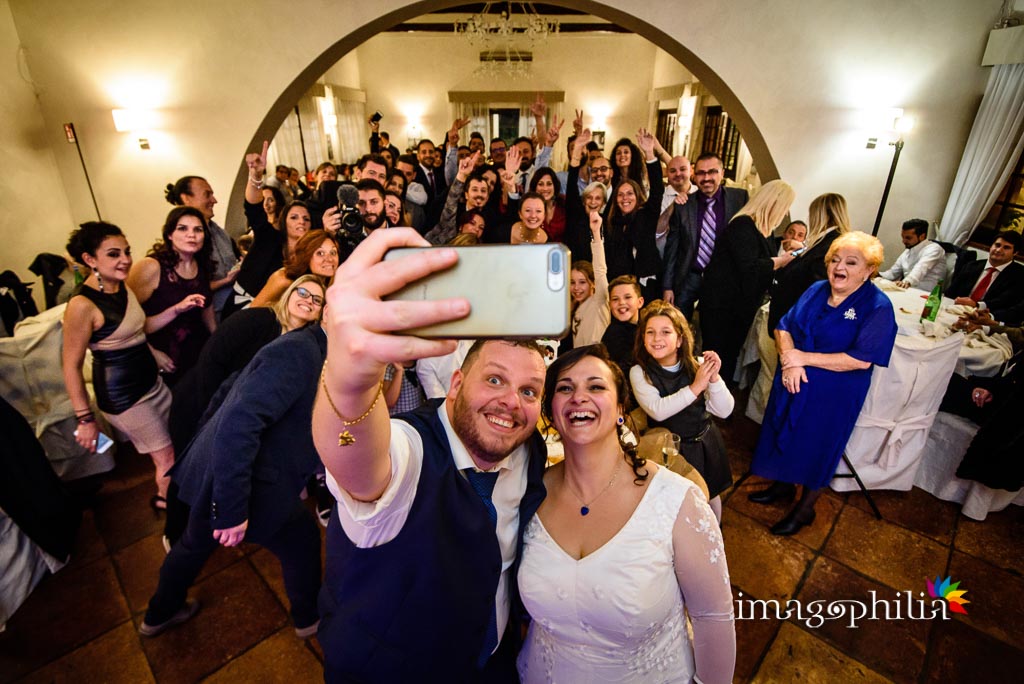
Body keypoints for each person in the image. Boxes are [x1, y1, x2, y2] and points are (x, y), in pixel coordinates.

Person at [312, 228, 549, 681]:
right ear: (456, 383)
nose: (511, 402)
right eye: (495, 380)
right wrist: (350, 380)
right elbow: (358, 463)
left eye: (529, 390)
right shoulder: (410, 450)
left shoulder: (527, 451)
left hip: (494, 659)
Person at [517, 344, 735, 683]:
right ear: (551, 412)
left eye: (596, 386)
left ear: (620, 409)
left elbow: (712, 615)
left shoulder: (678, 503)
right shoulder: (529, 494)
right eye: (564, 388)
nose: (579, 397)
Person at [139, 316, 327, 639]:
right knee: (303, 540)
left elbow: (228, 392)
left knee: (193, 544)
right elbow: (240, 422)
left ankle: (159, 613)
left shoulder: (309, 346)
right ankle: (309, 619)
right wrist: (231, 508)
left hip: (225, 474)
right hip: (250, 485)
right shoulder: (300, 351)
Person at [748, 232, 897, 535]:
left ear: (869, 270)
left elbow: (862, 359)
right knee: (782, 430)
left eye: (851, 262)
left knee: (817, 445)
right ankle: (783, 485)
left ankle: (805, 509)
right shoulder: (816, 289)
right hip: (793, 380)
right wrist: (790, 360)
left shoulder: (878, 307)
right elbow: (784, 325)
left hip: (833, 394)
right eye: (835, 260)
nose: (839, 267)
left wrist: (802, 358)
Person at [164, 275, 327, 544]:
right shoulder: (255, 320)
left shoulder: (304, 342)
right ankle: (176, 535)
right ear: (288, 294)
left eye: (316, 299)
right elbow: (211, 361)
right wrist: (210, 418)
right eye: (302, 292)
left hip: (231, 415)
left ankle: (201, 536)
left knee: (219, 472)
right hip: (199, 402)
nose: (308, 301)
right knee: (192, 472)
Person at [62, 221, 175, 510]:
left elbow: (136, 327)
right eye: (113, 254)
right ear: (89, 259)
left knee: (177, 442)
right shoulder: (82, 306)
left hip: (152, 383)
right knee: (167, 458)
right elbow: (71, 365)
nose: (125, 260)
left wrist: (176, 311)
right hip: (125, 397)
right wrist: (85, 420)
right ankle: (171, 512)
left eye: (126, 251)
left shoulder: (121, 286)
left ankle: (176, 498)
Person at [630, 301, 734, 520]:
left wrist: (713, 378)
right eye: (650, 332)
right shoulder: (640, 372)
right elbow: (657, 411)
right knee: (672, 503)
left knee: (710, 495)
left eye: (665, 332)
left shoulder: (696, 365)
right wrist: (696, 386)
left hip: (703, 443)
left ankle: (714, 535)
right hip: (666, 449)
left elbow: (724, 411)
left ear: (679, 339)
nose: (657, 338)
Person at [699, 180, 797, 383]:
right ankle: (706, 400)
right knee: (715, 355)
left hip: (741, 306)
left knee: (730, 354)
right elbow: (750, 267)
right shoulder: (743, 224)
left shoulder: (765, 231)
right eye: (785, 206)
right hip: (721, 305)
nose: (786, 212)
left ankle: (721, 401)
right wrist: (781, 261)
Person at [128, 206, 217, 388]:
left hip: (197, 350)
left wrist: (218, 341)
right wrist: (152, 353)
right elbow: (125, 321)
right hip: (164, 354)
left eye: (198, 230)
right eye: (182, 228)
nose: (191, 235)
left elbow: (207, 310)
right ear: (169, 234)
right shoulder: (151, 267)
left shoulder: (202, 265)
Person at [225, 142, 313, 317]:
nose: (301, 222)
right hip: (242, 308)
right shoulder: (269, 238)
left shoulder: (309, 255)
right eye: (294, 217)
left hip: (278, 313)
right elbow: (253, 208)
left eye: (306, 218)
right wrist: (256, 175)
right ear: (283, 221)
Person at [662, 153, 749, 317]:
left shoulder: (739, 199)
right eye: (701, 173)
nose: (706, 177)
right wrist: (667, 287)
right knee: (678, 325)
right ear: (694, 175)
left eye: (712, 172)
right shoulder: (684, 205)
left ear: (722, 173)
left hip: (724, 279)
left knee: (714, 331)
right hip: (689, 276)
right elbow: (672, 249)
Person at [768, 193, 850, 332]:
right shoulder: (823, 242)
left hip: (797, 323)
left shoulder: (830, 246)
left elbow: (816, 290)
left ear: (819, 214)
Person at [164, 176, 239, 319]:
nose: (214, 200)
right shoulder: (182, 243)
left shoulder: (218, 231)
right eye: (207, 195)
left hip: (234, 305)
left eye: (198, 230)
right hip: (211, 314)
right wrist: (224, 281)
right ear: (186, 198)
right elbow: (186, 288)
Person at [605, 129, 665, 302]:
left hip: (645, 282)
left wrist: (649, 154)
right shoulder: (612, 222)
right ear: (615, 200)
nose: (625, 198)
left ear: (637, 196)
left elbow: (657, 191)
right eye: (621, 195)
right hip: (619, 284)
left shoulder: (646, 214)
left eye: (630, 194)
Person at [945, 230, 1024, 325]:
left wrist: (978, 305)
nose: (998, 250)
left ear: (1015, 253)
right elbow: (950, 293)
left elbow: (1005, 302)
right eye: (997, 245)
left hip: (987, 323)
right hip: (954, 314)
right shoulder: (971, 266)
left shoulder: (1019, 275)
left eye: (1006, 248)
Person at [250, 230, 338, 307]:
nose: (330, 259)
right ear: (306, 256)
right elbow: (250, 314)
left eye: (333, 252)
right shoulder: (283, 280)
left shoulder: (334, 284)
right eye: (320, 253)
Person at [570, 211, 610, 347]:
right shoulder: (575, 309)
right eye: (572, 283)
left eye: (582, 282)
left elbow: (600, 270)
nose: (576, 288)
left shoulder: (599, 301)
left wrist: (596, 233)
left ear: (593, 284)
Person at [878, 218, 947, 292]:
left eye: (908, 238)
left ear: (922, 236)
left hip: (927, 295)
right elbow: (892, 273)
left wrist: (907, 281)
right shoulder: (908, 251)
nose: (903, 241)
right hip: (908, 290)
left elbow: (921, 268)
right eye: (903, 237)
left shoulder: (934, 249)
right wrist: (876, 274)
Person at [528, 167, 566, 243]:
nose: (545, 188)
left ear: (555, 186)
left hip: (563, 251)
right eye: (540, 184)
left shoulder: (564, 203)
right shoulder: (529, 206)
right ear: (535, 187)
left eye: (549, 184)